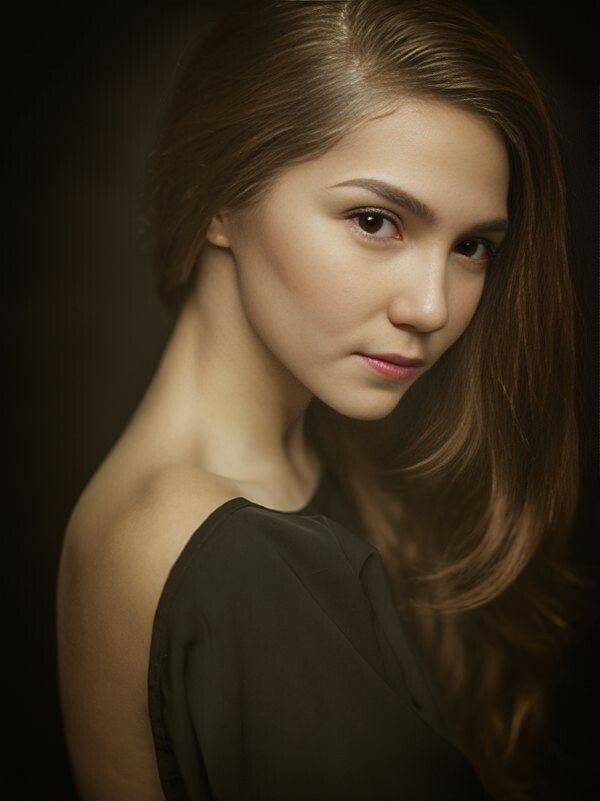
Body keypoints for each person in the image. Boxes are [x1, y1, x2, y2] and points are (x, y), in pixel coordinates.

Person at [56, 1, 583, 799]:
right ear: (218, 196)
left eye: (473, 246)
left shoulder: (244, 485)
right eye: (375, 220)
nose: (432, 306)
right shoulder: (235, 559)